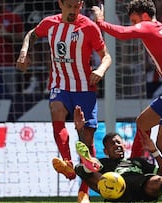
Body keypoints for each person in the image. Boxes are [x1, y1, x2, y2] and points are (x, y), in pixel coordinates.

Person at [92, 0, 162, 187]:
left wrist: (100, 22)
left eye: (134, 20)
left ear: (144, 15)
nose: (135, 26)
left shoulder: (147, 26)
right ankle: (130, 169)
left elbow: (122, 33)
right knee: (142, 123)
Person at [15, 0, 112, 202]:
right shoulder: (50, 23)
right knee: (56, 110)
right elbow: (31, 35)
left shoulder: (89, 27)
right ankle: (68, 164)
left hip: (85, 87)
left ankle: (84, 190)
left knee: (86, 138)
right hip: (60, 84)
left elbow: (106, 57)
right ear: (60, 4)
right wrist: (24, 52)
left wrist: (100, 70)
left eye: (76, 6)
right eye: (69, 6)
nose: (73, 11)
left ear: (81, 4)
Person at [73, 107, 162, 202]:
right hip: (115, 190)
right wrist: (81, 132)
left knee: (158, 180)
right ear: (106, 151)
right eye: (113, 144)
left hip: (141, 188)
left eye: (119, 143)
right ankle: (87, 164)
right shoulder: (104, 163)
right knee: (84, 169)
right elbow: (89, 175)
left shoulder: (137, 161)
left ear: (124, 146)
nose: (117, 145)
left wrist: (155, 152)